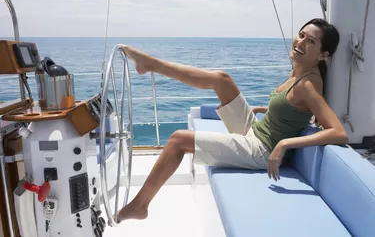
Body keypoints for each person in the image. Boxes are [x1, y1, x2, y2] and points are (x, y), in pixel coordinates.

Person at [116, 18, 348, 222]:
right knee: (222, 79)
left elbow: (338, 132)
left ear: (323, 54)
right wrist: (267, 108)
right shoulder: (299, 71)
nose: (301, 43)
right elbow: (296, 110)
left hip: (261, 150)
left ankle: (140, 206)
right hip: (255, 130)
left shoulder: (308, 84)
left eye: (311, 42)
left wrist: (285, 143)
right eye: (301, 35)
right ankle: (151, 65)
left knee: (178, 140)